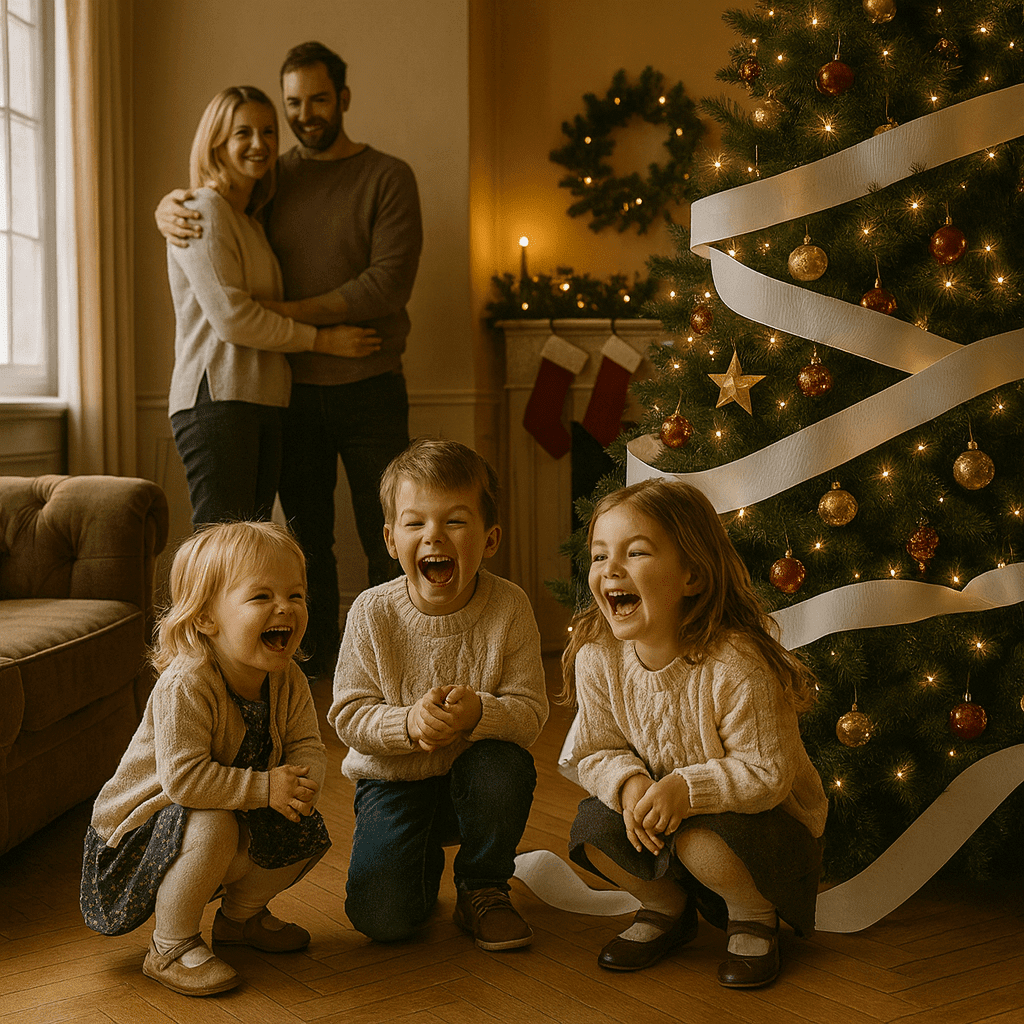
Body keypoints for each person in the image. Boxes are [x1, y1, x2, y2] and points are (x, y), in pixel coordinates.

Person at [157, 42, 423, 677]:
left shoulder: (381, 176)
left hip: (365, 385)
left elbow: (385, 285)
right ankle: (312, 673)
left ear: (343, 98)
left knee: (389, 535)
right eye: (294, 103)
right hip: (289, 393)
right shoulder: (262, 185)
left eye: (318, 100)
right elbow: (214, 245)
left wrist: (282, 313)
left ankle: (401, 668)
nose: (304, 115)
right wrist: (169, 205)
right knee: (297, 551)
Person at [560, 478, 827, 988]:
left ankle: (754, 913)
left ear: (693, 576)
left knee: (700, 844)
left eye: (635, 552)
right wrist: (630, 785)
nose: (610, 569)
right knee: (592, 829)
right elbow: (594, 750)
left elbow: (768, 774)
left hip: (759, 828)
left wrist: (686, 789)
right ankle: (667, 908)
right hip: (664, 815)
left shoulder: (735, 664)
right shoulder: (598, 658)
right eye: (599, 556)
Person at [80, 521, 332, 997]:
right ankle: (169, 945)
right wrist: (267, 788)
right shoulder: (187, 684)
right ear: (205, 619)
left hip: (231, 808)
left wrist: (303, 784)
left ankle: (240, 919)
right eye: (261, 596)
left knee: (300, 820)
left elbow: (306, 745)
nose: (285, 607)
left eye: (295, 595)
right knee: (214, 823)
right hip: (141, 832)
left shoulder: (288, 678)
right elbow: (184, 781)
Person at [327, 438, 548, 950]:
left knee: (505, 766)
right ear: (390, 539)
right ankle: (415, 859)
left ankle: (482, 884)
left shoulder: (510, 607)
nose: (434, 535)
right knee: (384, 919)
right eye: (415, 523)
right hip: (393, 782)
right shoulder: (371, 612)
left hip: (477, 777)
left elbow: (530, 713)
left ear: (490, 539)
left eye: (455, 521)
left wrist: (479, 713)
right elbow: (348, 715)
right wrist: (407, 723)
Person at [167, 84, 380, 527]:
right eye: (242, 133)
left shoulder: (250, 221)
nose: (259, 144)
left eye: (268, 132)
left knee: (250, 551)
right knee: (220, 549)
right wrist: (322, 341)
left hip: (260, 401)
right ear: (216, 143)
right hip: (218, 399)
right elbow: (233, 319)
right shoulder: (203, 209)